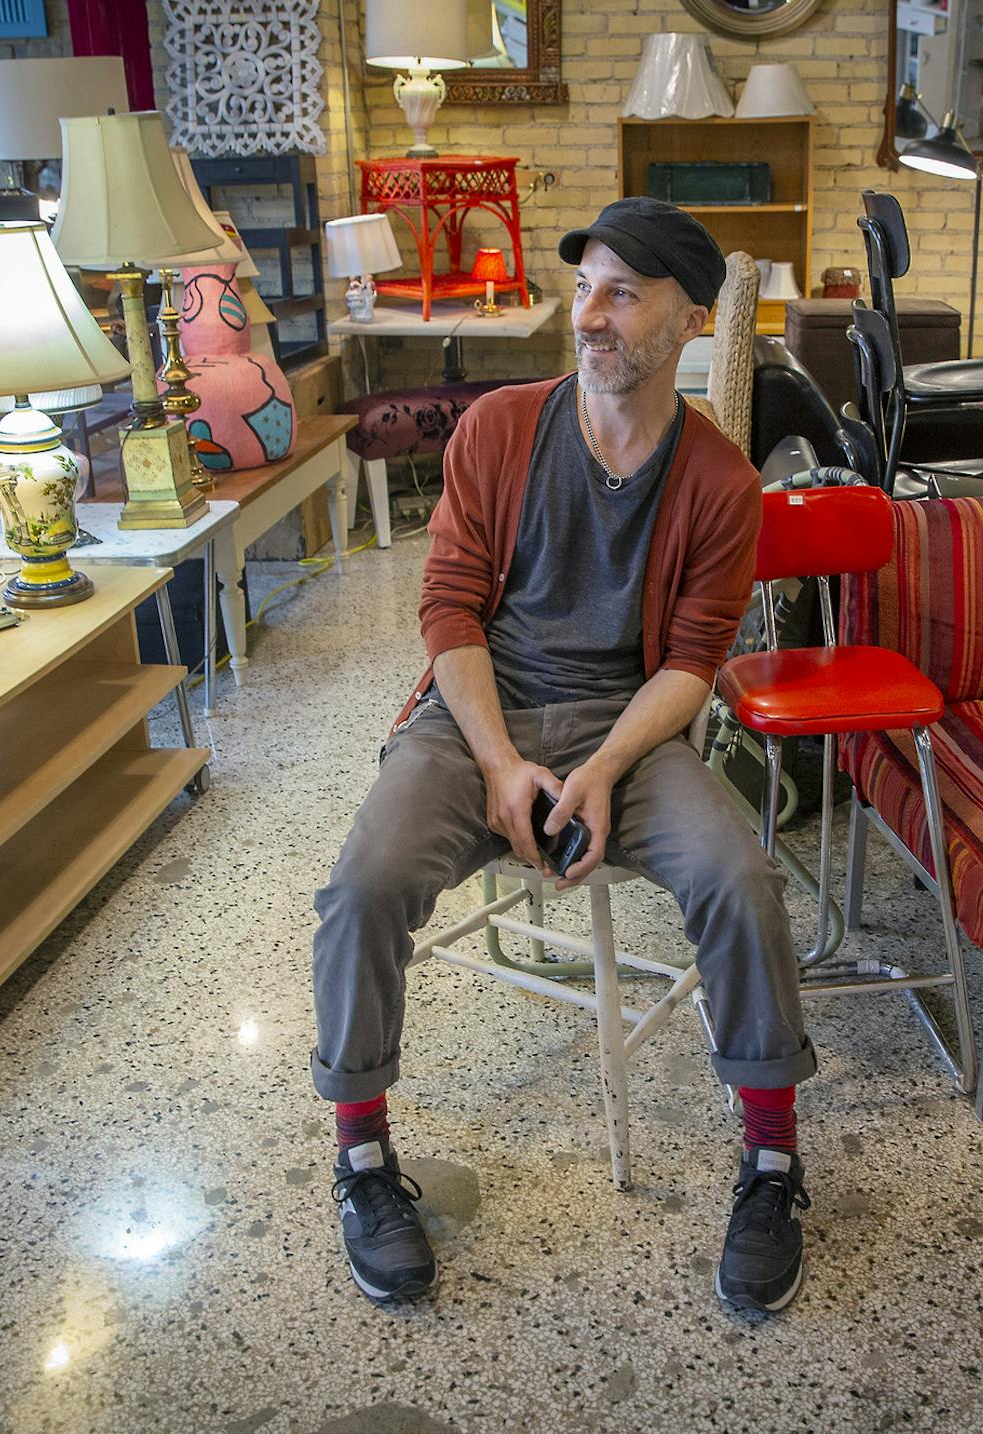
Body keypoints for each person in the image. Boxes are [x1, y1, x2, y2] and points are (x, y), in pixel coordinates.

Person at [309, 198, 818, 1313]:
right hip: (476, 715)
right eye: (586, 286)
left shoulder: (723, 484)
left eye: (623, 293)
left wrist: (599, 771)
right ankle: (359, 1161)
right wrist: (498, 765)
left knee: (739, 880)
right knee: (362, 886)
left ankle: (772, 1161)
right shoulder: (499, 430)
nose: (592, 314)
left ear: (689, 322)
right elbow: (447, 610)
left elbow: (692, 664)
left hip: (628, 726)